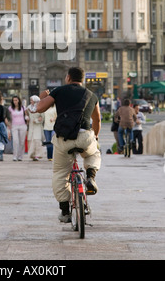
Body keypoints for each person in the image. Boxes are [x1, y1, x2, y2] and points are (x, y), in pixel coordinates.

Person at [31, 67, 101, 223]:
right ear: (83, 79)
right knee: (93, 154)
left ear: (68, 77)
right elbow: (97, 121)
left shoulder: (59, 91)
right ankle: (90, 177)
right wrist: (95, 137)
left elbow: (39, 108)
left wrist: (42, 98)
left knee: (60, 173)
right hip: (85, 137)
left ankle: (65, 211)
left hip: (64, 139)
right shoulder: (91, 95)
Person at [8, 95, 28, 161]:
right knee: (15, 141)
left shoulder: (23, 107)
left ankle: (20, 156)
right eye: (13, 100)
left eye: (16, 100)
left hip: (23, 125)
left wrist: (27, 124)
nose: (15, 102)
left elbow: (26, 116)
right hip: (14, 126)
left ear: (18, 100)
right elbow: (9, 118)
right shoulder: (10, 108)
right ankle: (15, 156)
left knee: (22, 142)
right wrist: (9, 126)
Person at [26, 95, 45, 161]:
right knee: (31, 140)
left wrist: (37, 120)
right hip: (31, 126)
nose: (31, 101)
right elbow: (27, 114)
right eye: (30, 100)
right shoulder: (28, 107)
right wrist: (27, 118)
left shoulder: (40, 107)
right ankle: (32, 155)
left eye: (32, 100)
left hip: (38, 126)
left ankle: (38, 155)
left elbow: (42, 117)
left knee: (37, 140)